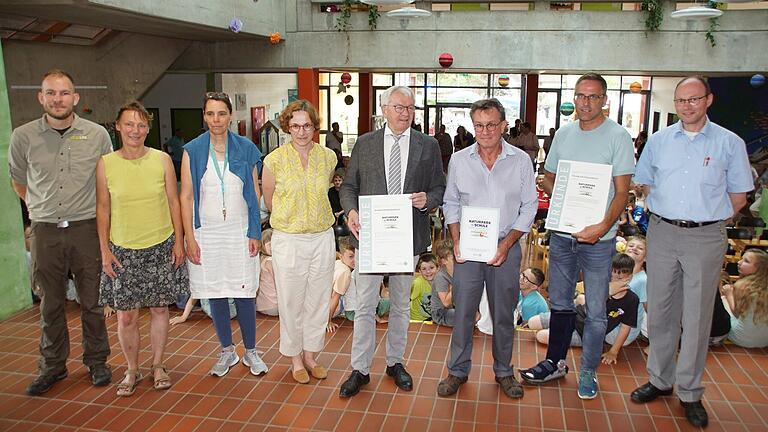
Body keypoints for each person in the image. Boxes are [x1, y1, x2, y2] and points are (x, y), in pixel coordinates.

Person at [631, 76, 753, 428]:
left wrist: (706, 219)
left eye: (694, 99)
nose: (687, 106)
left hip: (705, 235)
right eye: (681, 100)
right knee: (661, 309)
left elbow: (739, 197)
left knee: (697, 316)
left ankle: (690, 391)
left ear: (708, 100)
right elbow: (645, 183)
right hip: (663, 232)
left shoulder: (729, 143)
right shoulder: (659, 141)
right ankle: (660, 379)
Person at [519, 73, 635, 400]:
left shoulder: (618, 137)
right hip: (563, 234)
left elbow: (622, 193)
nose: (586, 103)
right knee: (560, 303)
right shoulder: (564, 135)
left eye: (593, 97)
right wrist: (563, 202)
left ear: (604, 100)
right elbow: (548, 179)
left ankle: (587, 371)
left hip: (599, 240)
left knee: (596, 311)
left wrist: (599, 227)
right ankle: (554, 362)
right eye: (581, 96)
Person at [9, 69, 113, 396]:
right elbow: (19, 182)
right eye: (51, 93)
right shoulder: (23, 137)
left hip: (85, 230)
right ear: (41, 97)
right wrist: (41, 207)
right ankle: (52, 366)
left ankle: (97, 361)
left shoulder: (97, 136)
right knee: (50, 303)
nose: (58, 99)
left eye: (64, 93)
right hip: (45, 232)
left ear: (75, 98)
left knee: (92, 302)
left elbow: (107, 184)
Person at [339, 85, 446, 398]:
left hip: (407, 239)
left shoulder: (427, 145)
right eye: (399, 107)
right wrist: (351, 211)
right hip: (370, 237)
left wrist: (429, 200)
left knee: (400, 305)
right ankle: (360, 368)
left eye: (410, 108)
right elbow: (348, 187)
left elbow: (439, 187)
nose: (405, 113)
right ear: (383, 109)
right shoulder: (365, 144)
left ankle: (395, 362)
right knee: (364, 305)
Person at [438, 98, 537, 399]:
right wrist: (456, 240)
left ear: (504, 125)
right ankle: (457, 370)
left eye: (492, 124)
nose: (485, 131)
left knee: (503, 313)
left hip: (506, 245)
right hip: (468, 247)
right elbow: (451, 202)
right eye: (479, 125)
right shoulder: (459, 160)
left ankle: (504, 371)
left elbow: (530, 206)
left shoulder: (520, 160)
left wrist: (507, 245)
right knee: (465, 310)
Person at [96, 101, 188, 396]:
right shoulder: (105, 164)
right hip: (122, 249)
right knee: (126, 315)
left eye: (141, 125)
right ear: (118, 127)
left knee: (160, 309)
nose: (135, 130)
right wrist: (105, 251)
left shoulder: (161, 159)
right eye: (129, 124)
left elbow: (175, 202)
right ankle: (132, 368)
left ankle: (159, 365)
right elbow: (102, 210)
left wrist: (178, 241)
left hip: (160, 244)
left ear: (148, 128)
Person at [180, 91, 268, 378]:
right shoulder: (192, 150)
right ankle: (227, 351)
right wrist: (189, 237)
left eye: (221, 113)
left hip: (240, 231)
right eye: (210, 114)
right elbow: (186, 196)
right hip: (206, 232)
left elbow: (254, 193)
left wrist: (255, 231)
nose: (216, 119)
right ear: (204, 117)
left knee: (244, 291)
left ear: (230, 116)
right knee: (215, 291)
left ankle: (251, 352)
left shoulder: (245, 148)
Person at [262, 99, 337, 384]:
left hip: (321, 236)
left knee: (317, 300)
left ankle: (310, 355)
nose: (302, 132)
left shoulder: (328, 157)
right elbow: (269, 201)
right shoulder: (274, 160)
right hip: (289, 238)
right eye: (295, 126)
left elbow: (324, 191)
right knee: (291, 301)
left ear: (314, 127)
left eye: (307, 125)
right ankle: (294, 359)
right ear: (287, 127)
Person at [530, 254, 639, 365]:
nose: (615, 280)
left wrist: (613, 352)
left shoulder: (632, 299)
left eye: (620, 278)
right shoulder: (601, 285)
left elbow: (625, 327)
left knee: (541, 336)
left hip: (585, 334)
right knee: (532, 322)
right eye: (612, 276)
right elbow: (585, 302)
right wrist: (606, 293)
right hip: (575, 315)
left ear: (629, 277)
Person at [720, 249, 768, 348]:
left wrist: (728, 295)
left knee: (723, 299)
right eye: (741, 259)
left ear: (758, 268)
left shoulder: (743, 286)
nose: (739, 262)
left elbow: (736, 312)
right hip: (764, 341)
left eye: (746, 261)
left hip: (741, 338)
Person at [327, 236, 357, 333]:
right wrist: (328, 321)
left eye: (357, 255)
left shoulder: (337, 263)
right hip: (331, 309)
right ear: (341, 256)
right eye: (351, 256)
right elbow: (335, 296)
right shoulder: (345, 272)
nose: (355, 260)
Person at [431, 239, 457, 327]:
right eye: (453, 258)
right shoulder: (441, 277)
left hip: (454, 308)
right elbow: (446, 303)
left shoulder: (458, 272)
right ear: (444, 260)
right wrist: (456, 285)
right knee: (465, 316)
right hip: (440, 313)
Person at [256, 228, 279, 317]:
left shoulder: (261, 259)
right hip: (274, 306)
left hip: (261, 306)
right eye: (270, 245)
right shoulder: (270, 261)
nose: (273, 248)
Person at [410, 254, 438, 322]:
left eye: (431, 268)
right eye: (424, 269)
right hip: (416, 319)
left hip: (432, 317)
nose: (428, 271)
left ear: (438, 267)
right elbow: (406, 300)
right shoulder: (418, 283)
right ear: (419, 271)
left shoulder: (441, 281)